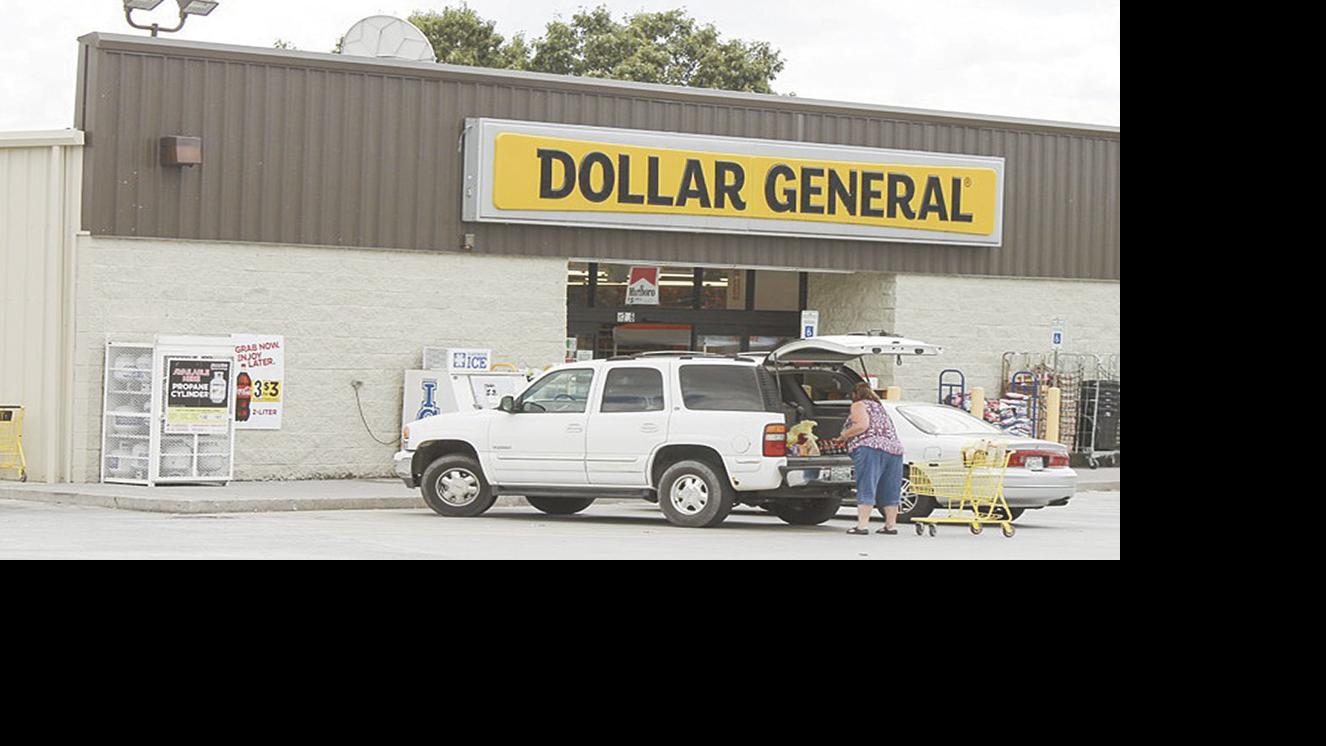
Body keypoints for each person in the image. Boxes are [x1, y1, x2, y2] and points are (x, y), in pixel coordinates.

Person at [839, 382, 905, 535]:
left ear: (855, 394)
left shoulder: (858, 405)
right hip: (894, 449)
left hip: (870, 448)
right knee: (890, 487)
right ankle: (890, 525)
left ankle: (862, 525)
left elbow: (862, 425)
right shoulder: (880, 407)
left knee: (867, 484)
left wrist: (844, 436)